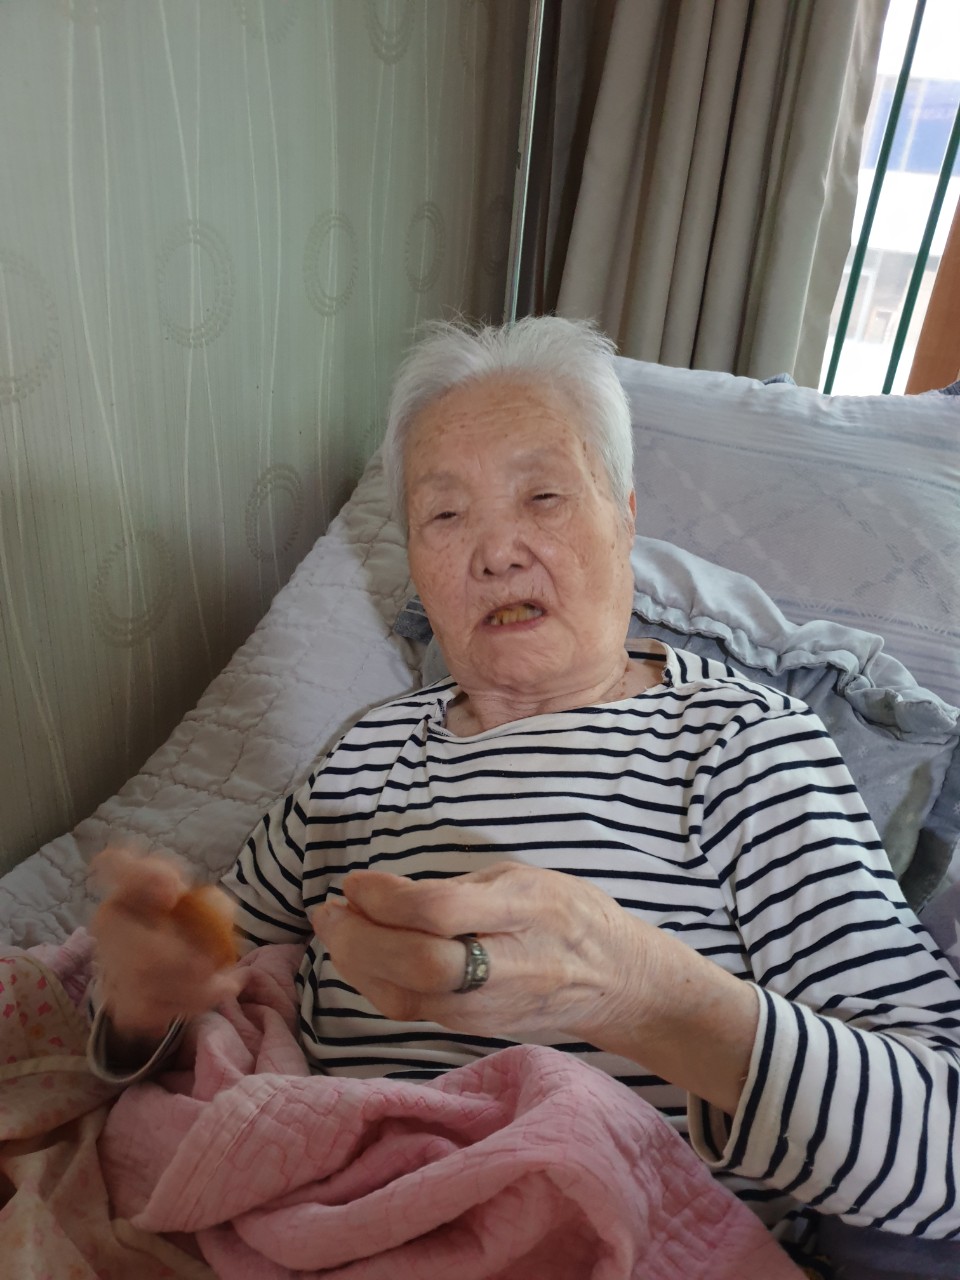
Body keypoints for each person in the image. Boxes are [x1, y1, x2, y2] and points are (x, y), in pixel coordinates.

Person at [89, 315, 960, 1243]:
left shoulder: (745, 744)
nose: (495, 550)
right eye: (445, 514)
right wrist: (143, 1001)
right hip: (326, 1232)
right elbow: (207, 986)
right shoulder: (361, 756)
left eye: (543, 496)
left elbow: (943, 1151)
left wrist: (636, 994)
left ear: (625, 517)